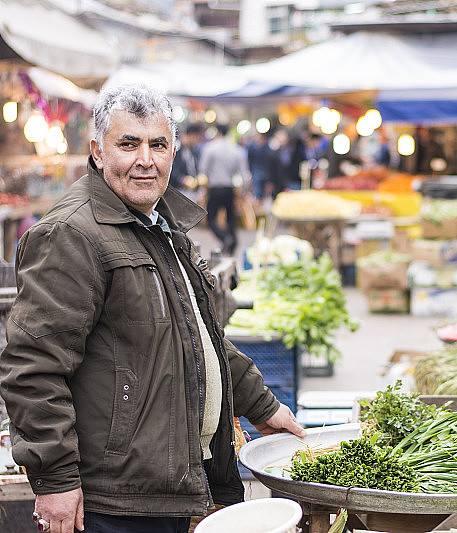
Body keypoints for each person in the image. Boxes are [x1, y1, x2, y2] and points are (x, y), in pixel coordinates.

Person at [0, 83, 305, 533]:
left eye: (157, 144)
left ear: (174, 151)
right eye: (128, 144)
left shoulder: (161, 224)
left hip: (171, 480)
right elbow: (33, 367)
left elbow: (199, 337)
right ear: (98, 152)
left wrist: (261, 405)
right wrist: (56, 480)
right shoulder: (72, 233)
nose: (146, 159)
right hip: (115, 499)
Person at [198, 122, 249, 256]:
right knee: (231, 217)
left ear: (218, 132)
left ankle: (225, 237)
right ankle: (233, 244)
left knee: (210, 218)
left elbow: (204, 170)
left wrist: (202, 188)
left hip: (215, 188)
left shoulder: (210, 148)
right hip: (229, 188)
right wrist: (243, 191)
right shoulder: (237, 149)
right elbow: (243, 173)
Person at [169, 122, 205, 199]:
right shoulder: (176, 148)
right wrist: (182, 180)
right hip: (177, 191)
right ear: (191, 135)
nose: (199, 141)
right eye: (198, 137)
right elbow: (170, 169)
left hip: (192, 192)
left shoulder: (194, 151)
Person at [247, 131, 275, 201]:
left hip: (266, 172)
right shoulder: (252, 147)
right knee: (258, 192)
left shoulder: (267, 147)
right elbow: (250, 160)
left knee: (266, 192)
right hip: (256, 172)